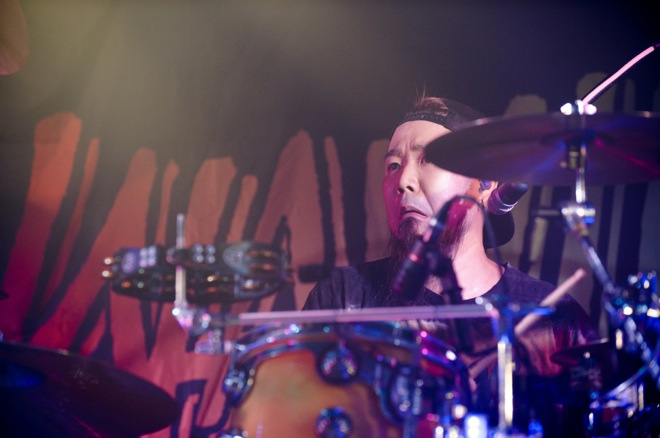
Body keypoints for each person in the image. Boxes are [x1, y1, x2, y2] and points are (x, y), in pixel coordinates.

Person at [303, 95, 601, 434]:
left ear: (486, 184)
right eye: (393, 166)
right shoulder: (344, 297)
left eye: (429, 159)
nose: (403, 181)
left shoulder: (552, 318)